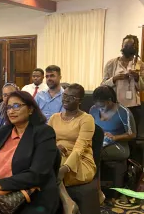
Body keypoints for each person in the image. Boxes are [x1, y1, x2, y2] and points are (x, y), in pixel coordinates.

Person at [0, 91, 59, 214]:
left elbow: (37, 174)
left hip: (32, 196)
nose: (11, 111)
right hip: (0, 195)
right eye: (8, 107)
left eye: (17, 106)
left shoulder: (44, 133)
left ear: (30, 109)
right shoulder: (3, 132)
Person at [48, 84, 95, 214]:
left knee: (51, 168)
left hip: (80, 162)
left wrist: (65, 169)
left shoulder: (86, 119)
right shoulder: (54, 118)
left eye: (71, 97)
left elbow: (79, 149)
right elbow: (46, 141)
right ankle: (67, 201)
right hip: (56, 156)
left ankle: (66, 204)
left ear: (80, 100)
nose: (66, 99)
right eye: (65, 95)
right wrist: (55, 146)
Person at [102, 35, 144, 132]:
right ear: (122, 46)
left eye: (131, 46)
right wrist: (114, 79)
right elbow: (103, 84)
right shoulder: (111, 63)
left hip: (133, 106)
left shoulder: (140, 64)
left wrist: (137, 78)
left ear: (135, 48)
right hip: (115, 105)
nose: (128, 48)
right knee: (115, 131)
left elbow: (142, 88)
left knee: (131, 134)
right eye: (126, 45)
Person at [90, 86, 136, 161]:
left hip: (118, 145)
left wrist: (114, 137)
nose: (100, 109)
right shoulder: (93, 109)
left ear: (109, 101)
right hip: (99, 142)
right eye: (97, 106)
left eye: (102, 106)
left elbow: (132, 134)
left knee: (96, 153)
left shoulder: (124, 112)